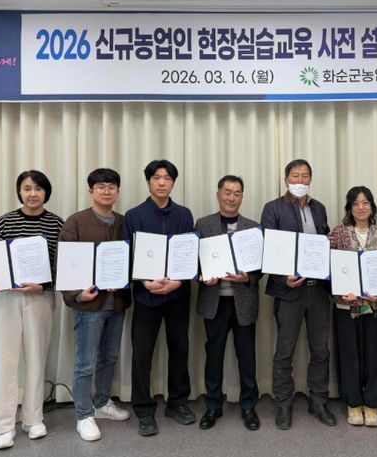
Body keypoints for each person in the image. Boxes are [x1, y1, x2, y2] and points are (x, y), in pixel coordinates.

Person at [0, 170, 64, 450]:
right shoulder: (3, 222)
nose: (33, 194)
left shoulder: (57, 223)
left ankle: (33, 419)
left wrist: (43, 286)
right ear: (19, 191)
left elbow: (62, 267)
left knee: (36, 358)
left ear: (46, 192)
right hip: (6, 299)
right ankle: (4, 427)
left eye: (38, 189)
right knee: (5, 361)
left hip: (40, 297)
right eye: (27, 188)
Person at [261, 159, 336, 430]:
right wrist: (283, 278)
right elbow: (269, 248)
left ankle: (319, 400)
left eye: (305, 176)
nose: (300, 181)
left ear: (310, 180)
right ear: (286, 180)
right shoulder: (273, 208)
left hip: (317, 290)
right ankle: (283, 403)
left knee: (320, 349)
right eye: (295, 176)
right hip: (288, 291)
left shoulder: (319, 208)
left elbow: (324, 242)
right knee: (285, 350)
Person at [122, 160, 195, 436]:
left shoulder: (184, 215)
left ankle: (177, 402)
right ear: (148, 182)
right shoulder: (134, 215)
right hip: (146, 296)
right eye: (156, 177)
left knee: (180, 349)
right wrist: (145, 281)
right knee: (142, 353)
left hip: (178, 294)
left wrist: (178, 281)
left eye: (167, 178)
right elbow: (128, 254)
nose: (162, 182)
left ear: (173, 182)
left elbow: (188, 252)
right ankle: (143, 409)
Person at [59, 168, 131, 442]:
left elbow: (133, 259)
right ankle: (83, 415)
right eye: (100, 186)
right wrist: (78, 294)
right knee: (85, 362)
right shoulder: (76, 222)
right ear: (91, 191)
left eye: (111, 186)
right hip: (89, 305)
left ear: (118, 191)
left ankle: (101, 403)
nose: (106, 191)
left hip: (118, 302)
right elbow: (65, 263)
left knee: (109, 357)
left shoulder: (124, 222)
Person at [195, 175, 262, 431]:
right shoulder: (203, 224)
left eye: (237, 193)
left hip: (243, 302)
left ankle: (248, 406)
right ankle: (213, 406)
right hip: (214, 302)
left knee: (247, 357)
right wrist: (202, 277)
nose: (232, 198)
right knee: (214, 355)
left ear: (242, 197)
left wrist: (248, 278)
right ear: (218, 194)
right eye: (227, 192)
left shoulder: (253, 227)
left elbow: (261, 267)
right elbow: (195, 262)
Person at [328, 186, 377, 427]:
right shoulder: (338, 233)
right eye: (355, 203)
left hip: (376, 306)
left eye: (365, 202)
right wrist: (339, 290)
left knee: (376, 355)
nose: (360, 207)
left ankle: (372, 404)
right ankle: (354, 403)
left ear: (372, 206)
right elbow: (328, 266)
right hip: (346, 307)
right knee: (349, 356)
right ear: (349, 207)